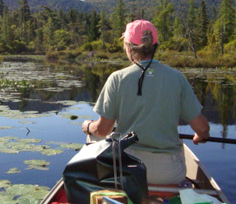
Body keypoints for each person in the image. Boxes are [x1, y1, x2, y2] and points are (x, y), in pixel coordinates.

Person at [81, 19, 210, 185]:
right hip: (169, 172)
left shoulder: (117, 78)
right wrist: (200, 136)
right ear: (155, 46)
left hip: (126, 170)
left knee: (95, 146)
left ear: (128, 47)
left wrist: (88, 126)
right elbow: (203, 128)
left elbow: (103, 129)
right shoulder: (177, 78)